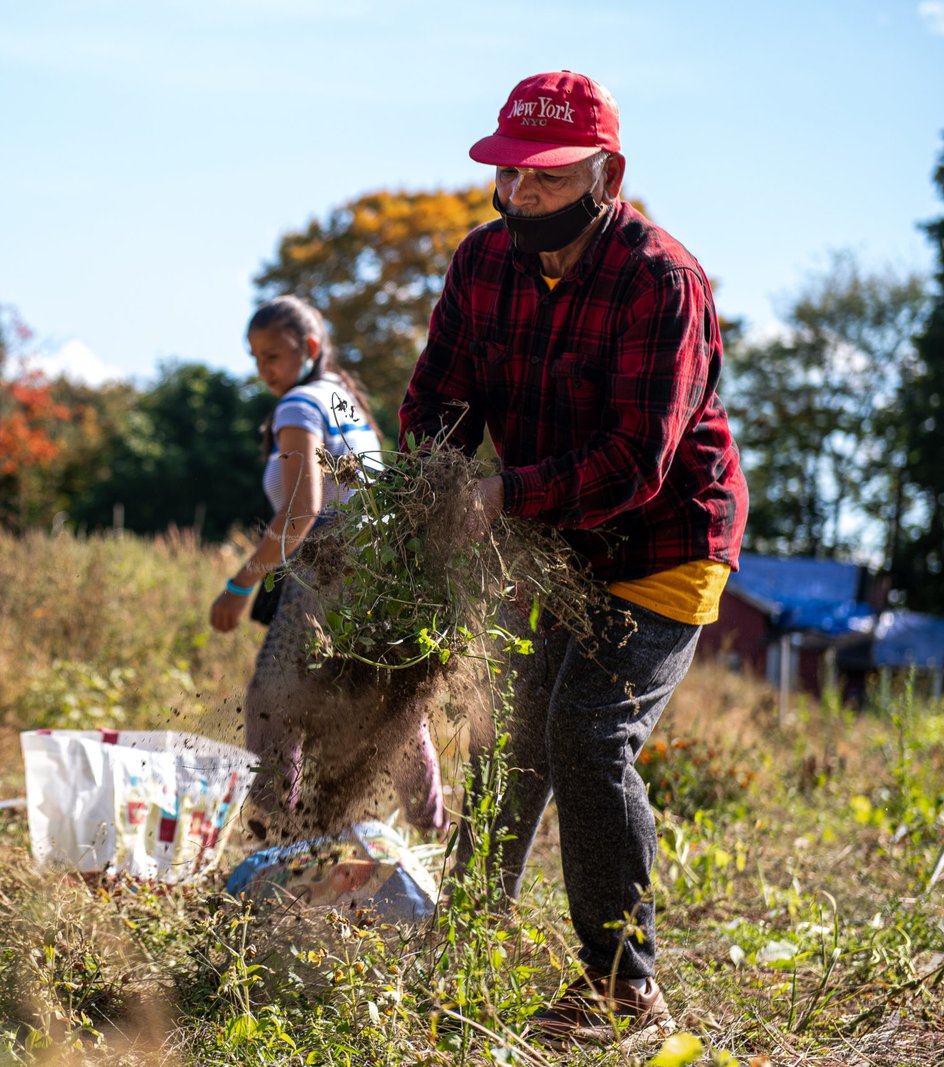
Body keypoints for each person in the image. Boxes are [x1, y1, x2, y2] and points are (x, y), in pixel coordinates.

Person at [398, 71, 748, 1040]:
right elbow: (441, 392)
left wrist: (501, 496)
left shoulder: (659, 279)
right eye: (508, 175)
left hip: (663, 537)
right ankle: (459, 943)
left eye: (545, 181)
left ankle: (626, 992)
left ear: (605, 174)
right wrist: (429, 474)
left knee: (586, 737)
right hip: (551, 538)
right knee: (513, 741)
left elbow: (638, 459)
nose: (519, 197)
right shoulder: (481, 262)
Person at [211, 296, 447, 840]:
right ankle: (437, 838)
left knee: (273, 704)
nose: (262, 369)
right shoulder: (344, 402)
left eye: (273, 355)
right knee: (394, 706)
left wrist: (237, 584)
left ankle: (278, 847)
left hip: (327, 571)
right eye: (255, 357)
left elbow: (300, 513)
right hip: (383, 574)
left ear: (310, 349)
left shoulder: (298, 406)